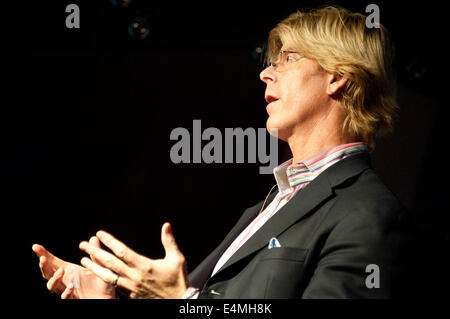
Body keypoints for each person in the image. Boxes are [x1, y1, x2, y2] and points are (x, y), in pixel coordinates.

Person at [32, 5, 412, 299]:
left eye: (289, 58)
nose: (266, 73)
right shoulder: (267, 205)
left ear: (337, 76)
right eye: (271, 61)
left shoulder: (368, 212)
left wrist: (181, 297)